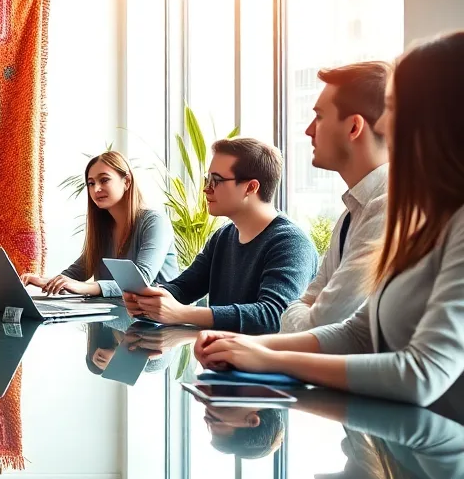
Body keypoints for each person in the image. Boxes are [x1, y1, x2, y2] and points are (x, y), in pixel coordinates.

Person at [194, 31, 464, 408]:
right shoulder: (423, 216)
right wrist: (245, 346)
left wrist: (268, 356)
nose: (382, 126)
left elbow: (421, 375)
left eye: (394, 108)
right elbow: (358, 334)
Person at [124, 137, 318, 335]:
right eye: (207, 180)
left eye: (216, 181)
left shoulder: (292, 244)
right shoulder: (223, 236)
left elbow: (273, 316)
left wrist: (182, 314)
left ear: (251, 187)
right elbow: (184, 288)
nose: (206, 189)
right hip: (222, 359)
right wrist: (149, 300)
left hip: (268, 364)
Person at [281, 62, 391, 333]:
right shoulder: (351, 212)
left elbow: (319, 324)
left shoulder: (388, 206)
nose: (308, 130)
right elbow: (307, 308)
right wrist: (303, 312)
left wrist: (301, 312)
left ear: (354, 127)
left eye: (319, 116)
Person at [22, 151, 177, 297]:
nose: (96, 189)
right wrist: (47, 281)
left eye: (104, 180)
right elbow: (77, 272)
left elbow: (141, 280)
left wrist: (84, 287)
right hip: (118, 316)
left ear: (127, 181)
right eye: (91, 183)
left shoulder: (155, 221)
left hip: (158, 321)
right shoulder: (103, 228)